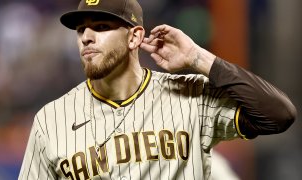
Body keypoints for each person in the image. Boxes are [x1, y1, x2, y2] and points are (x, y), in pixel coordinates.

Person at [18, 0, 296, 179]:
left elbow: (278, 114)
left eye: (101, 27)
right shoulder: (51, 119)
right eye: (81, 30)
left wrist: (200, 59)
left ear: (135, 36)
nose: (86, 38)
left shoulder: (191, 97)